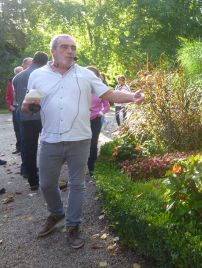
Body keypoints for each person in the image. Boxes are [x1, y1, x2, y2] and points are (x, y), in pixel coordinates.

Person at [22, 34, 144, 249]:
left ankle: (73, 225)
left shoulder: (85, 74)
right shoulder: (37, 75)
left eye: (73, 47)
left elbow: (109, 94)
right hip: (50, 139)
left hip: (80, 138)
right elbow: (31, 101)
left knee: (77, 183)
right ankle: (57, 212)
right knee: (46, 183)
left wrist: (132, 97)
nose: (70, 51)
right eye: (65, 47)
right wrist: (27, 106)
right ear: (53, 51)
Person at [13, 52, 48, 190]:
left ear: (33, 60)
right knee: (48, 146)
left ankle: (32, 179)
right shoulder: (43, 75)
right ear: (45, 62)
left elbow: (18, 98)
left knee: (28, 148)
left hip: (25, 117)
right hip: (42, 116)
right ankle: (48, 177)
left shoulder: (17, 77)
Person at [86, 66, 110, 176]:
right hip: (80, 120)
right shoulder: (78, 87)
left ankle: (91, 167)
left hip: (95, 119)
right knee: (79, 143)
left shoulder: (100, 89)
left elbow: (106, 106)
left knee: (92, 143)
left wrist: (100, 112)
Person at [5, 66, 23, 155]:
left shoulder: (27, 79)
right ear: (15, 73)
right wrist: (10, 105)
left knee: (25, 128)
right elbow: (8, 96)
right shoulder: (10, 82)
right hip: (14, 108)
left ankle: (25, 148)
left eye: (21, 71)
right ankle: (19, 148)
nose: (19, 73)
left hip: (24, 107)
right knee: (17, 129)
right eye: (18, 72)